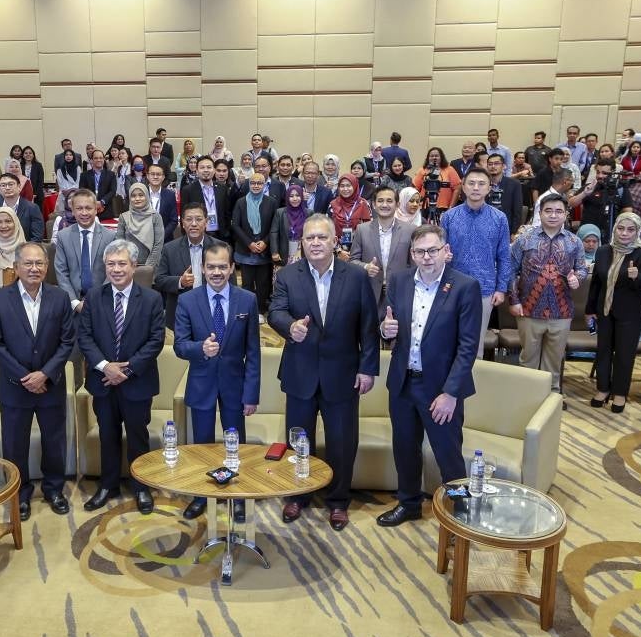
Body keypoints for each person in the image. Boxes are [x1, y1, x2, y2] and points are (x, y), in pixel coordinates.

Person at [268, 214, 379, 531]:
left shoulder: (355, 277)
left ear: (334, 241)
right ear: (301, 243)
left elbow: (368, 327)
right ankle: (298, 495)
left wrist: (368, 368)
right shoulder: (288, 275)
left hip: (343, 373)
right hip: (300, 372)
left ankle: (338, 500)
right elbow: (275, 310)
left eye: (321, 237)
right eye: (309, 238)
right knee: (298, 441)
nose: (315, 243)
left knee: (343, 442)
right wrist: (289, 327)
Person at [376, 224, 482, 527]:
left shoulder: (464, 286)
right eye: (420, 252)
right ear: (412, 254)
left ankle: (463, 514)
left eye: (433, 250)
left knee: (448, 455)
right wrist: (385, 330)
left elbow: (467, 348)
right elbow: (387, 322)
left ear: (445, 251)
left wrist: (451, 394)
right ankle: (408, 504)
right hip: (403, 382)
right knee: (405, 449)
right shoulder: (398, 281)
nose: (427, 257)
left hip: (441, 390)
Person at [0, 241, 75, 520]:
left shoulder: (60, 297)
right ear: (16, 267)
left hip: (50, 385)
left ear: (47, 267)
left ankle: (53, 490)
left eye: (40, 263)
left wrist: (45, 374)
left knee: (54, 442)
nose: (34, 268)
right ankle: (19, 494)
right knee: (15, 445)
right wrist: (25, 377)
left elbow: (67, 341)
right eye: (28, 263)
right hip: (15, 388)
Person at [173, 243, 260, 521]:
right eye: (211, 267)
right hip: (202, 384)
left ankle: (237, 496)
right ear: (202, 268)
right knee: (202, 445)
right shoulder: (187, 301)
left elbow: (253, 352)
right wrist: (200, 349)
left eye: (223, 266)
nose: (217, 272)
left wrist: (251, 394)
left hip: (235, 386)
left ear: (232, 268)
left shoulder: (246, 300)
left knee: (236, 443)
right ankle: (203, 495)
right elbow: (179, 346)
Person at [80, 239, 165, 514]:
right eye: (111, 264)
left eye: (122, 264)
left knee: (138, 435)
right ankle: (108, 485)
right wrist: (106, 367)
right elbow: (85, 337)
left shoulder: (151, 298)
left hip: (137, 382)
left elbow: (156, 340)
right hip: (102, 381)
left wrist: (126, 370)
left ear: (134, 266)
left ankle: (141, 486)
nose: (116, 269)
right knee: (108, 434)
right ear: (105, 266)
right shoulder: (93, 296)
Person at [508, 194, 588, 394]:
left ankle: (550, 399)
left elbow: (582, 269)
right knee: (528, 360)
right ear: (540, 213)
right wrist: (514, 300)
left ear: (566, 214)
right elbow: (509, 270)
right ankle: (527, 398)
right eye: (548, 210)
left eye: (559, 211)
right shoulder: (525, 239)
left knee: (554, 360)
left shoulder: (574, 242)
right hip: (528, 309)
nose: (553, 215)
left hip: (561, 311)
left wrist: (577, 278)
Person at [585, 212, 641, 413]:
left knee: (624, 354)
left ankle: (620, 393)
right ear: (615, 229)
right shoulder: (603, 251)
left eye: (630, 230)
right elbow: (596, 283)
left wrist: (636, 277)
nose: (624, 233)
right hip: (604, 310)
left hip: (630, 312)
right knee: (603, 350)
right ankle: (603, 389)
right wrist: (590, 310)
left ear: (637, 232)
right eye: (621, 229)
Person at [441, 168, 512, 332]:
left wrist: (501, 289)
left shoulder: (499, 218)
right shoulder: (449, 217)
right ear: (464, 187)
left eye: (481, 184)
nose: (476, 188)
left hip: (485, 288)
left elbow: (504, 257)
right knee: (447, 341)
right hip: (452, 288)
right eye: (471, 183)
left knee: (476, 344)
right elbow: (440, 250)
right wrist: (442, 256)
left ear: (489, 188)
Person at [155, 203, 225, 328]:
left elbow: (230, 283)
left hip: (212, 309)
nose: (193, 224)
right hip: (181, 312)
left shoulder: (221, 248)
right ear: (182, 223)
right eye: (189, 219)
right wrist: (180, 281)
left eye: (198, 219)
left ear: (206, 222)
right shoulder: (169, 249)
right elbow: (159, 280)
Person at [350, 185, 413, 317]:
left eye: (389, 201)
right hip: (370, 292)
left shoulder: (410, 230)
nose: (384, 204)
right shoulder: (362, 230)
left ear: (397, 204)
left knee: (397, 334)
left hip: (400, 292)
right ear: (373, 204)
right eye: (380, 201)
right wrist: (365, 266)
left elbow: (414, 265)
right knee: (371, 333)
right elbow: (352, 261)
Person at [53, 189, 115, 315]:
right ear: (73, 210)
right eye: (79, 208)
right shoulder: (63, 236)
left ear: (96, 209)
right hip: (72, 303)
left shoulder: (110, 236)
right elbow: (61, 271)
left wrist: (96, 300)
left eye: (88, 208)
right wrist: (75, 303)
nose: (84, 212)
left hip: (102, 301)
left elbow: (113, 272)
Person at [232, 173, 275, 316]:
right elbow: (236, 226)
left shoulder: (271, 202)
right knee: (247, 283)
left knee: (263, 284)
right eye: (253, 183)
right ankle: (247, 311)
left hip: (264, 249)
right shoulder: (240, 202)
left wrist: (265, 242)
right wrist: (249, 243)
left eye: (259, 183)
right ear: (249, 184)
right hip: (246, 249)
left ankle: (261, 311)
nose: (256, 186)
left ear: (264, 185)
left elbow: (274, 227)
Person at [569, 157, 633, 241]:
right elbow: (571, 203)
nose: (600, 176)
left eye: (604, 173)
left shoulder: (621, 189)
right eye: (598, 172)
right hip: (588, 236)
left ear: (613, 172)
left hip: (611, 236)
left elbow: (628, 213)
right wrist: (584, 193)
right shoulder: (590, 186)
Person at [180, 155, 231, 243]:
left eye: (209, 167)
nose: (206, 170)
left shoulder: (222, 189)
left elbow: (227, 213)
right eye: (202, 167)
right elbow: (184, 216)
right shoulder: (188, 190)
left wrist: (227, 233)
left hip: (220, 235)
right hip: (198, 236)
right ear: (196, 171)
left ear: (214, 170)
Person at [116, 182, 164, 268]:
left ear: (147, 196)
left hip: (151, 266)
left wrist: (148, 267)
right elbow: (120, 243)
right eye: (133, 196)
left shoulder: (155, 217)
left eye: (141, 195)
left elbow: (158, 244)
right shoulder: (124, 217)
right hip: (128, 265)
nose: (137, 198)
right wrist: (128, 264)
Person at [412, 147, 461, 219]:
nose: (434, 158)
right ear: (428, 158)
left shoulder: (449, 170)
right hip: (425, 207)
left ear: (441, 157)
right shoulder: (422, 170)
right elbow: (415, 189)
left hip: (444, 208)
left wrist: (451, 207)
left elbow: (457, 188)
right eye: (432, 156)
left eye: (437, 156)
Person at [0, 173, 44, 242]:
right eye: (3, 185)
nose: (7, 188)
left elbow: (37, 237)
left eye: (10, 184)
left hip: (25, 249)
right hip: (1, 249)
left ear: (19, 187)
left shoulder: (32, 208)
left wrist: (23, 250)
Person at [330, 174, 372, 251]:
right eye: (342, 186)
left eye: (348, 186)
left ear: (355, 186)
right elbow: (327, 229)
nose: (345, 189)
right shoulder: (333, 204)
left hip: (360, 248)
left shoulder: (363, 204)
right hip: (336, 250)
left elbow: (369, 229)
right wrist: (338, 250)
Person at [270, 184, 309, 266]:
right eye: (291, 196)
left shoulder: (309, 213)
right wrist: (274, 252)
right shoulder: (280, 213)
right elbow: (274, 233)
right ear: (287, 198)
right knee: (283, 277)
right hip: (283, 253)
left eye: (298, 195)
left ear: (302, 196)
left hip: (302, 253)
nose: (295, 199)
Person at [486, 153, 524, 235]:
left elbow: (517, 211)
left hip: (506, 228)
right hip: (486, 227)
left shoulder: (514, 184)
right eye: (490, 164)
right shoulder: (483, 184)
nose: (493, 166)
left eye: (496, 163)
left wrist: (513, 232)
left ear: (504, 166)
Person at [143, 163, 178, 242]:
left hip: (164, 240)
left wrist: (162, 236)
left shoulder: (170, 195)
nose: (155, 177)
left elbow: (174, 220)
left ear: (163, 177)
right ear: (147, 176)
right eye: (152, 174)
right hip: (143, 240)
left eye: (158, 174)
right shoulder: (141, 193)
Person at [79, 149, 118, 219]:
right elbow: (82, 192)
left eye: (100, 158)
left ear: (104, 159)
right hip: (88, 211)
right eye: (96, 158)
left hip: (106, 210)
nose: (98, 160)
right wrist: (94, 203)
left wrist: (102, 202)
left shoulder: (111, 175)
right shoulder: (84, 175)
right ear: (91, 160)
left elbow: (113, 191)